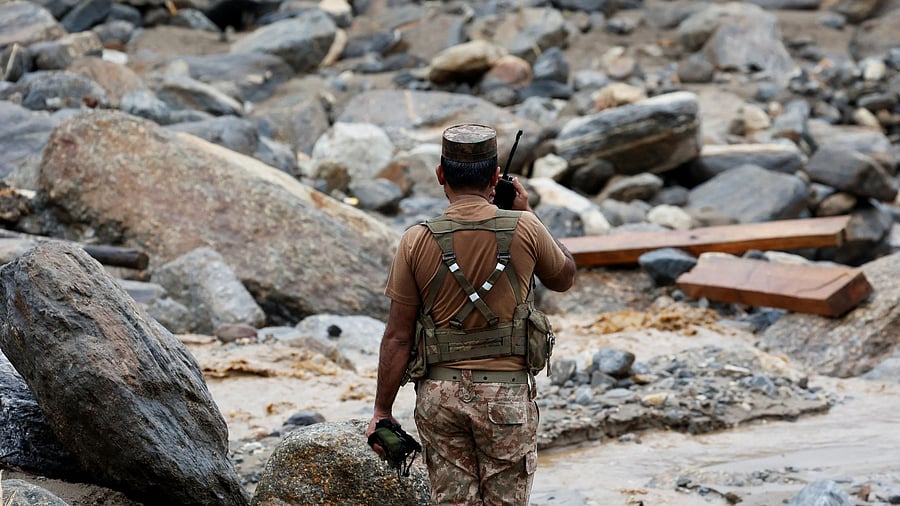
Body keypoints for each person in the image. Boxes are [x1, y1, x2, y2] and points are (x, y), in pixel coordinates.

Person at [367, 124, 576, 505]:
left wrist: (382, 410)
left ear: (440, 175)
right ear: (496, 177)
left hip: (440, 396)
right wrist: (526, 211)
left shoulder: (417, 239)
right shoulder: (526, 228)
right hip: (506, 397)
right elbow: (564, 277)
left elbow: (397, 336)